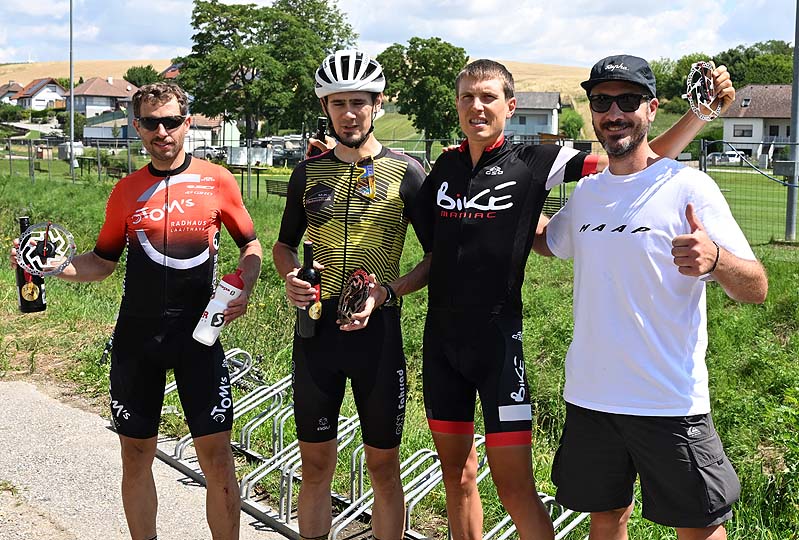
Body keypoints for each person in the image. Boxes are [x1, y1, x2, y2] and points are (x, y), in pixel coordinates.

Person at [410, 58, 736, 540]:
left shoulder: (537, 159)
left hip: (499, 346)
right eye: (467, 98)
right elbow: (433, 245)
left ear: (511, 106)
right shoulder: (443, 167)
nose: (477, 107)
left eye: (488, 97)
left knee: (514, 486)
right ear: (456, 104)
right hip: (442, 344)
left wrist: (698, 116)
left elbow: (632, 163)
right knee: (457, 479)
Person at [11, 82, 263, 540]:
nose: (161, 131)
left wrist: (244, 284)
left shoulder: (217, 179)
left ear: (187, 123)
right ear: (137, 127)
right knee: (135, 456)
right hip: (137, 339)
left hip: (199, 337)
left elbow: (251, 245)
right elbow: (101, 262)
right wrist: (50, 266)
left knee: (217, 459)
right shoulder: (126, 191)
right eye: (151, 123)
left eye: (171, 121)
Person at [533, 54, 767, 540]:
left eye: (628, 100)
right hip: (591, 397)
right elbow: (547, 241)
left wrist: (716, 259)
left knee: (700, 527)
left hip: (668, 402)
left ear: (652, 109)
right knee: (606, 519)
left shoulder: (689, 186)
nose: (614, 112)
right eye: (602, 102)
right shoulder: (588, 194)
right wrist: (500, 203)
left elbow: (756, 287)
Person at [272, 49, 430, 540]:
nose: (349, 114)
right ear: (325, 108)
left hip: (377, 335)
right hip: (315, 333)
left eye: (359, 102)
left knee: (383, 468)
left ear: (378, 104)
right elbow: (283, 245)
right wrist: (291, 275)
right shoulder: (308, 173)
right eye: (338, 103)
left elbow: (436, 257)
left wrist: (388, 292)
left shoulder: (407, 171)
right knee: (315, 465)